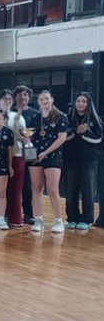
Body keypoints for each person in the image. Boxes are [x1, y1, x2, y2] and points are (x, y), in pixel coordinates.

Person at [28, 90, 68, 233]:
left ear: (52, 99)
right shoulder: (34, 117)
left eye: (46, 98)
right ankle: (38, 219)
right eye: (41, 99)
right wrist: (27, 143)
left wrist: (46, 152)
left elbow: (62, 137)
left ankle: (58, 220)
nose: (44, 101)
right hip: (35, 156)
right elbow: (30, 137)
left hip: (52, 155)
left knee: (52, 189)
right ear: (38, 102)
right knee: (37, 188)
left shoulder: (61, 116)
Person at [0, 89, 27, 227]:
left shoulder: (19, 117)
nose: (7, 101)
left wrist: (24, 137)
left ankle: (15, 218)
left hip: (16, 156)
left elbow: (24, 138)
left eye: (10, 99)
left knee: (15, 189)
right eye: (4, 99)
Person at [63, 92, 101, 230]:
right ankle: (72, 218)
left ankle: (86, 219)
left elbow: (99, 139)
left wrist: (86, 132)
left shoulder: (95, 120)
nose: (80, 103)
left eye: (83, 101)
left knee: (88, 191)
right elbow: (61, 137)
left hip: (89, 161)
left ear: (88, 103)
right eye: (78, 101)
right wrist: (75, 130)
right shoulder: (67, 118)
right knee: (70, 190)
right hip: (70, 160)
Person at [14, 85, 39, 224]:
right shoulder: (10, 113)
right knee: (12, 183)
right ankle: (10, 212)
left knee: (28, 184)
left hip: (30, 151)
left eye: (25, 95)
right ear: (15, 97)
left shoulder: (35, 114)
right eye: (19, 95)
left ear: (29, 97)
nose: (22, 97)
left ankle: (28, 213)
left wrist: (28, 140)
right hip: (14, 151)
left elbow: (38, 133)